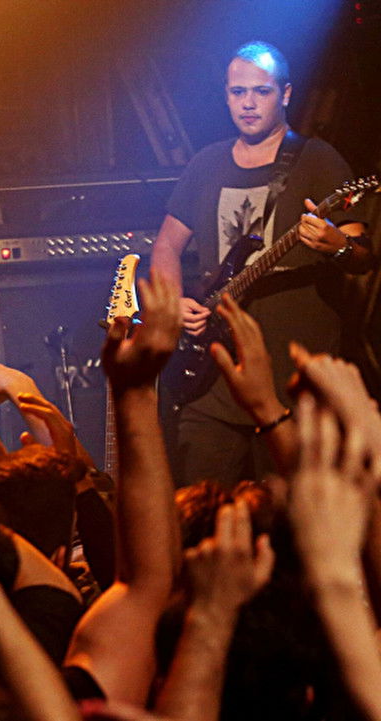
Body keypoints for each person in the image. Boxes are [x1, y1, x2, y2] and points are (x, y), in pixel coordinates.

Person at [149, 40, 372, 487]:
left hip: (292, 386)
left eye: (261, 91)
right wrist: (173, 305)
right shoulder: (206, 164)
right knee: (200, 509)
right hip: (211, 380)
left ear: (285, 94)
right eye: (238, 92)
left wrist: (335, 245)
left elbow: (362, 254)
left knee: (292, 517)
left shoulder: (317, 160)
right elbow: (166, 246)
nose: (248, 103)